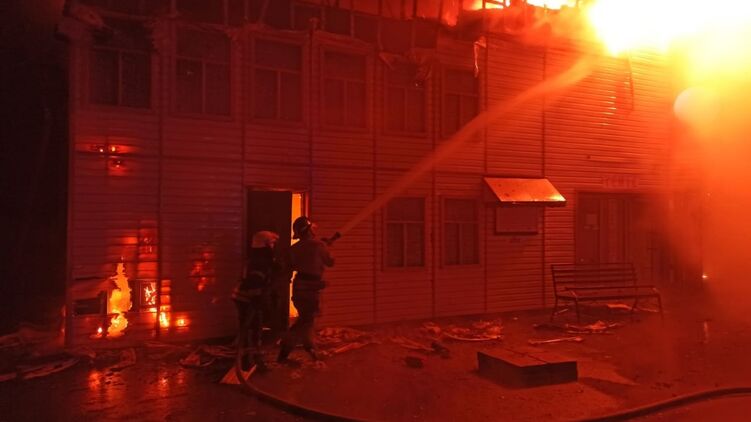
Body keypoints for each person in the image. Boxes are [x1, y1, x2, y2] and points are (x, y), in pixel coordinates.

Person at [277, 216, 335, 362]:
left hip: (298, 289)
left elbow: (288, 268)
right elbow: (330, 262)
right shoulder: (319, 245)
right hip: (311, 289)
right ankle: (284, 351)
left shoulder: (293, 249)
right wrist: (326, 247)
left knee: (307, 320)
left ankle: (311, 350)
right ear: (308, 230)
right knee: (305, 321)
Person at [233, 230, 279, 371]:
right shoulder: (259, 262)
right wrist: (257, 300)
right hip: (247, 299)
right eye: (271, 244)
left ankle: (250, 359)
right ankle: (249, 361)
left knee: (252, 328)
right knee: (252, 329)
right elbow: (255, 282)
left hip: (245, 298)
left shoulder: (257, 259)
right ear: (265, 245)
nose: (273, 247)